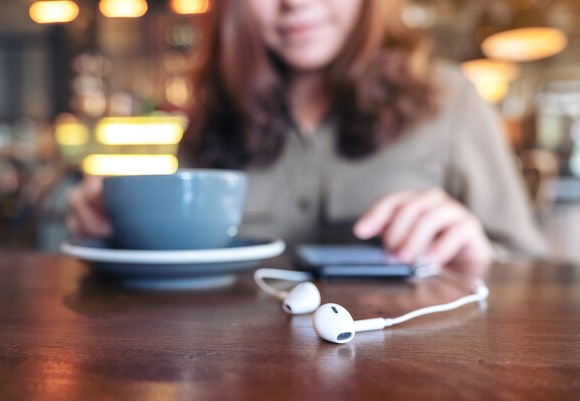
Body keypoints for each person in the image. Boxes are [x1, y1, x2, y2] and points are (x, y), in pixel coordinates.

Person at [68, 0, 549, 265]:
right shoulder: (210, 117)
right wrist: (116, 230)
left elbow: (530, 269)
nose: (295, 3)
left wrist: (479, 252)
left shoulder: (451, 99)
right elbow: (182, 260)